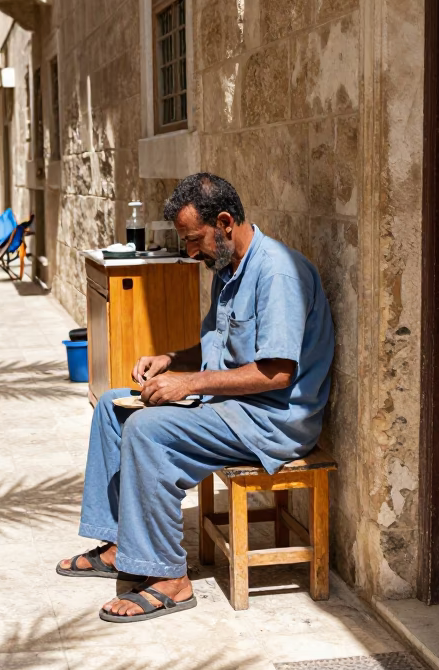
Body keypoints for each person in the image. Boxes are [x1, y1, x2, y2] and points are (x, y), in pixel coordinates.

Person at [57, 172, 334, 623]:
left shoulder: (277, 272)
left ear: (224, 222)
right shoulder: (226, 271)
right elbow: (219, 352)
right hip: (232, 408)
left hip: (272, 421)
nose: (189, 251)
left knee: (148, 429)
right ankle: (117, 545)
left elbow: (277, 372)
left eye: (193, 239)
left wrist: (188, 384)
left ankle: (170, 578)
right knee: (112, 407)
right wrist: (171, 359)